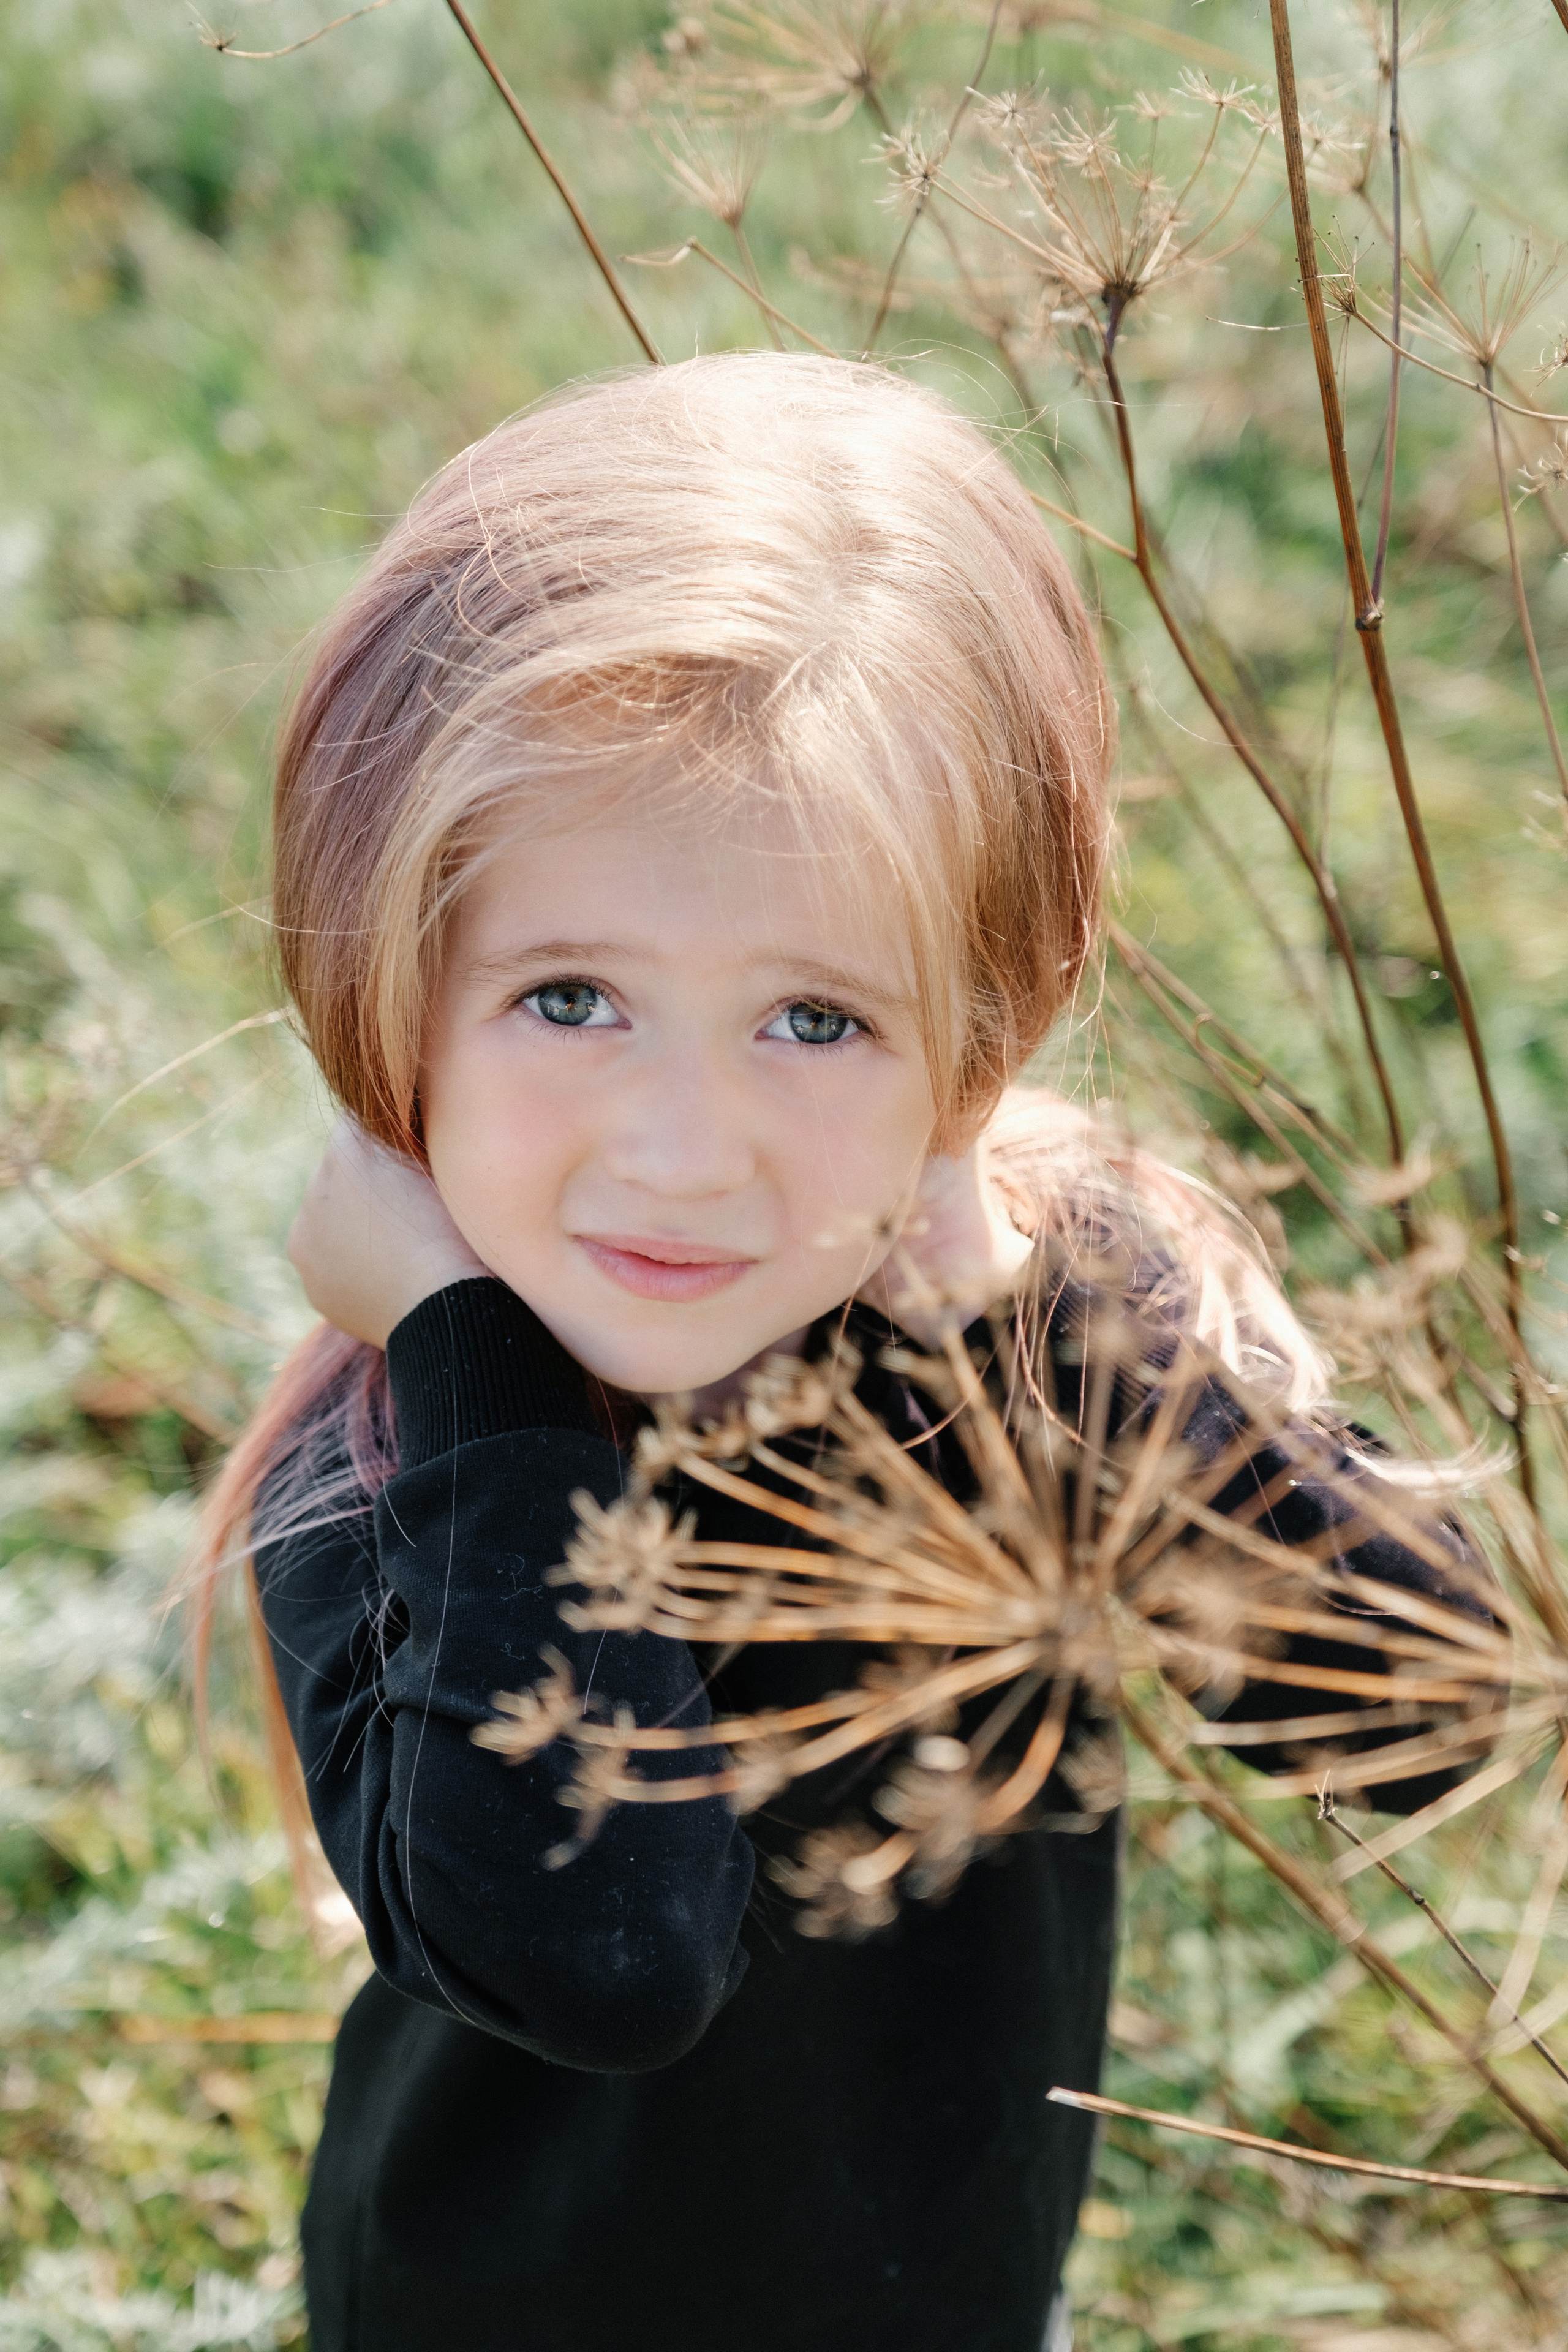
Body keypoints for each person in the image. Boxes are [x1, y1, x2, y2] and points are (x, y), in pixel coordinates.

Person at [195, 352, 1491, 2352]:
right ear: (390, 975)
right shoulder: (386, 1466)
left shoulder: (1042, 1345)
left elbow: (1420, 1712)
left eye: (818, 1021)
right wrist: (477, 1364)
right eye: (568, 998)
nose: (686, 1147)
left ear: (984, 1026)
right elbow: (609, 1958)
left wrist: (1054, 1333)